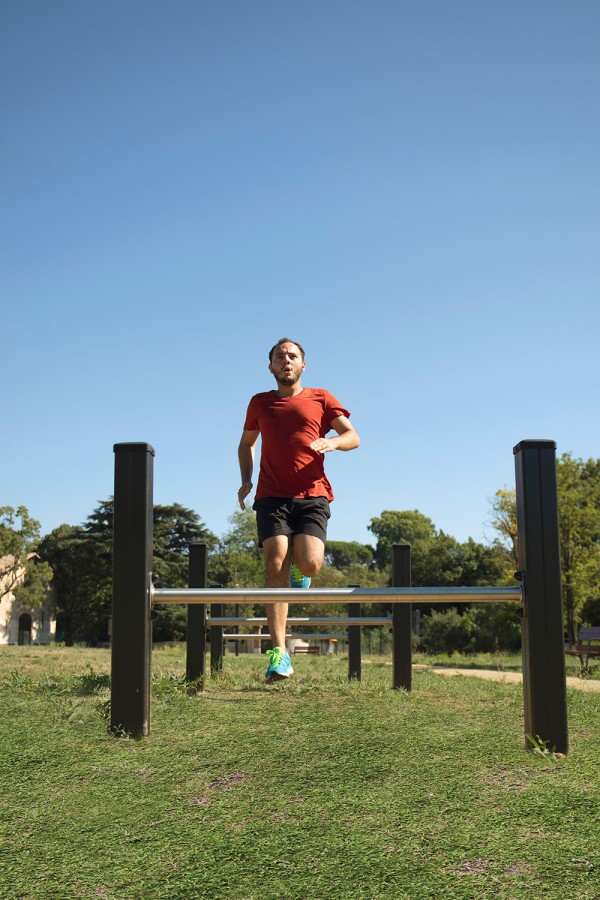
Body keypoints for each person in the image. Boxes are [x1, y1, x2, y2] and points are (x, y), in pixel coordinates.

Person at [238, 338, 360, 683]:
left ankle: (300, 574)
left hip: (312, 495)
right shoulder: (259, 403)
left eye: (292, 356)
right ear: (271, 367)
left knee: (309, 562)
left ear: (303, 364)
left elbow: (353, 436)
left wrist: (331, 442)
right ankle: (279, 654)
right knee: (274, 558)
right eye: (280, 357)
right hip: (271, 496)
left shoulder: (321, 397)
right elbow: (246, 444)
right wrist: (246, 480)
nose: (286, 360)